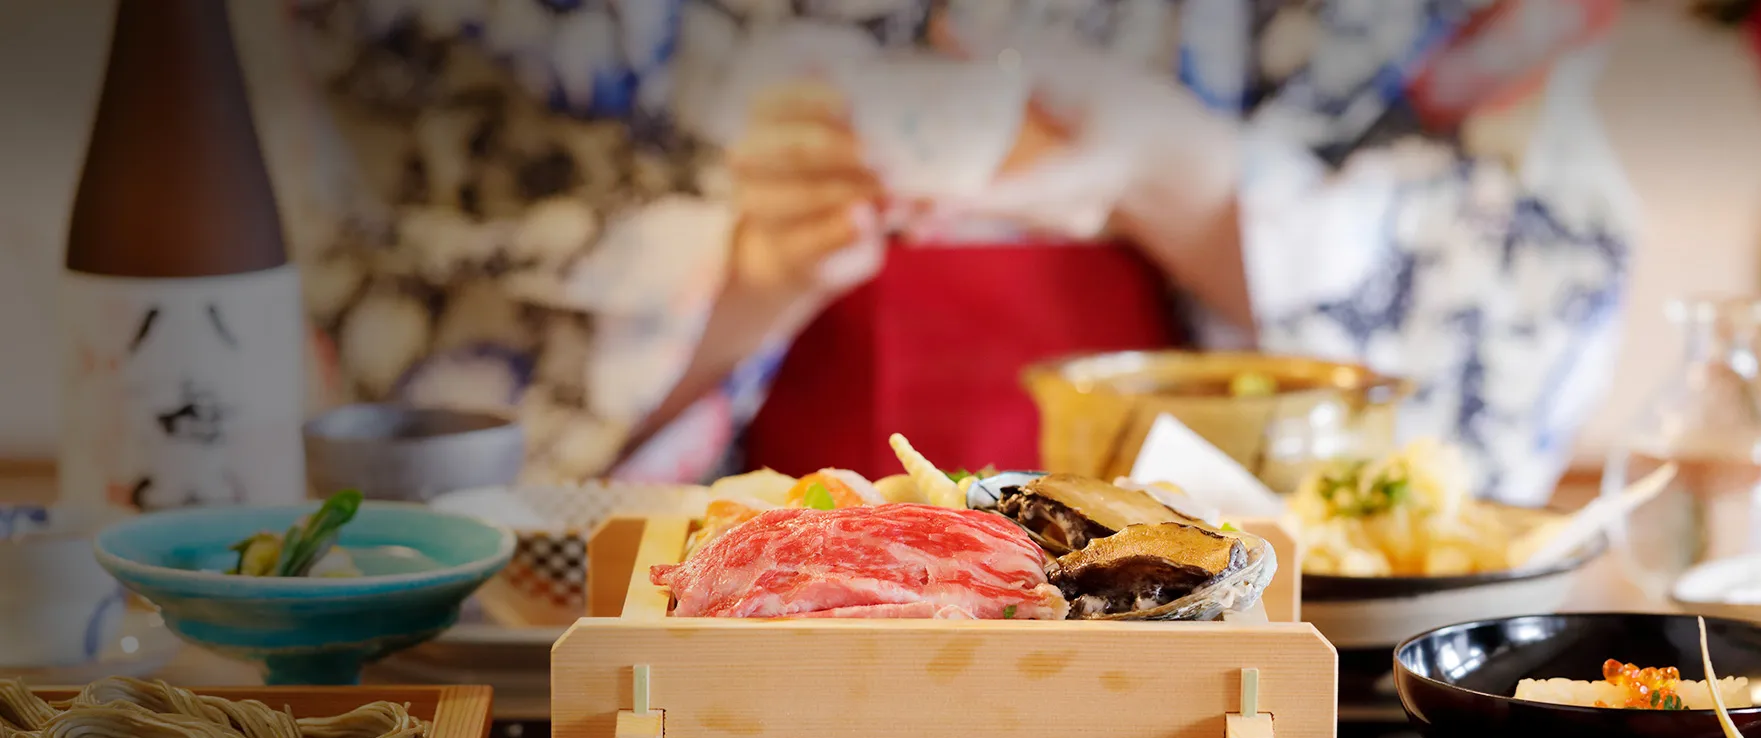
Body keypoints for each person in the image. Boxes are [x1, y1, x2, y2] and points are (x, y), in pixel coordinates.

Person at [286, 0, 1632, 504]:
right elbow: (422, 302)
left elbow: (1517, 299)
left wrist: (1175, 171)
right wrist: (747, 271)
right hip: (725, 591)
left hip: (1192, 584)